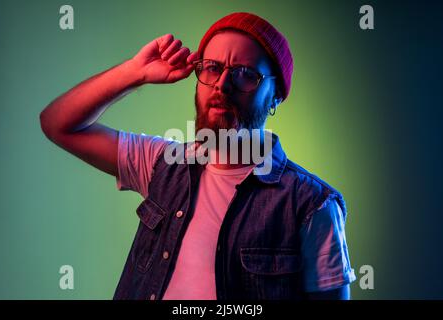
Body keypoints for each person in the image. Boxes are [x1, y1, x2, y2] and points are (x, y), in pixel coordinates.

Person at [40, 12, 356, 300]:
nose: (222, 84)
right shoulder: (161, 163)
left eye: (245, 74)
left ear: (275, 95)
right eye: (213, 68)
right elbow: (58, 124)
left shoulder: (312, 206)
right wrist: (135, 72)